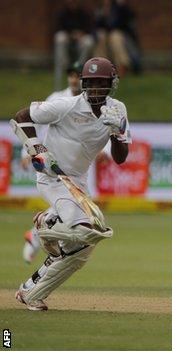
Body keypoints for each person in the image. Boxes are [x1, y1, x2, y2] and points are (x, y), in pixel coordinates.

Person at [13, 57, 131, 311]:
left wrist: (116, 133)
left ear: (112, 84)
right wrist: (37, 149)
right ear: (83, 84)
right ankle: (46, 223)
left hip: (77, 182)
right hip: (52, 177)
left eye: (102, 84)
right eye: (92, 84)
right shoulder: (66, 105)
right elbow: (22, 116)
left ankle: (31, 291)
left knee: (82, 249)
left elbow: (121, 158)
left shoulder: (118, 110)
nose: (97, 90)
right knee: (86, 231)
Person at [21, 62, 84, 264]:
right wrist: (28, 150)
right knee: (70, 206)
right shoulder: (57, 98)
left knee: (78, 206)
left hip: (80, 162)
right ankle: (41, 234)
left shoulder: (90, 102)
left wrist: (106, 152)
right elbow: (35, 124)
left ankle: (36, 234)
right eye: (71, 75)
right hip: (54, 159)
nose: (74, 79)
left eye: (78, 75)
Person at [53, 0, 95, 90]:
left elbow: (90, 29)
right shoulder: (63, 13)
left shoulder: (84, 13)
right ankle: (64, 66)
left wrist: (81, 34)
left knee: (89, 41)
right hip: (67, 41)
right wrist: (70, 35)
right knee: (60, 38)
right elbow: (58, 28)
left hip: (80, 42)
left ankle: (78, 68)